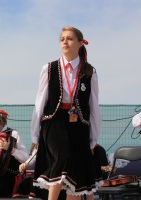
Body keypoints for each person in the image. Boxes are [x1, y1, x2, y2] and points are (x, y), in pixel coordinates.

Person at [30, 26, 102, 200]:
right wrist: (35, 134)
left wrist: (94, 138)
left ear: (80, 43)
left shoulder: (89, 71)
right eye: (62, 39)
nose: (65, 42)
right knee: (63, 158)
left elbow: (94, 105)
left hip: (78, 123)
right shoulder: (49, 68)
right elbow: (40, 101)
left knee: (75, 173)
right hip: (54, 122)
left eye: (69, 38)